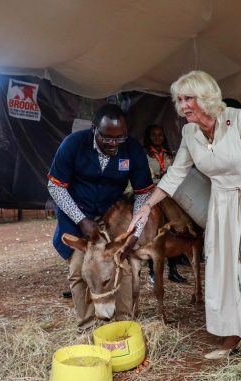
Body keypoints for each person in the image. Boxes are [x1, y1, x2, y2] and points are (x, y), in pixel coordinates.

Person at [127, 70, 241, 358]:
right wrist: (147, 206)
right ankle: (234, 330)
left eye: (189, 98)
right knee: (225, 269)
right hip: (222, 206)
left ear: (205, 96)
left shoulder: (240, 119)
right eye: (179, 100)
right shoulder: (189, 132)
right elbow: (176, 174)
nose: (183, 105)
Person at [47, 104, 154, 331]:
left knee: (120, 264)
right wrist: (81, 220)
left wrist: (135, 231)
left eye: (120, 138)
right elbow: (55, 186)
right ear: (95, 129)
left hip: (111, 216)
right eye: (107, 137)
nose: (114, 144)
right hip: (77, 212)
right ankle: (87, 327)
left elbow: (143, 195)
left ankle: (124, 324)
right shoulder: (74, 144)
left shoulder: (133, 150)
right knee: (78, 269)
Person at [143, 124, 186, 284]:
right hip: (152, 193)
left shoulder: (169, 155)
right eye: (153, 134)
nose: (157, 137)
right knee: (153, 232)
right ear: (149, 136)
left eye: (160, 134)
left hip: (169, 194)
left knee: (174, 229)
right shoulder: (144, 155)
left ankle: (173, 269)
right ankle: (152, 272)